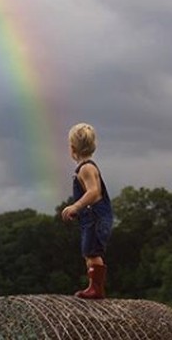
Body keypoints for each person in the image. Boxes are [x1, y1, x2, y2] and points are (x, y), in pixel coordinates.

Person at [61, 123, 113, 299]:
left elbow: (94, 192)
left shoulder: (86, 168)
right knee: (88, 252)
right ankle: (93, 286)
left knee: (92, 252)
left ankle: (96, 289)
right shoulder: (84, 168)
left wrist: (75, 206)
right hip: (91, 217)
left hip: (95, 218)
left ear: (72, 148)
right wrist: (79, 211)